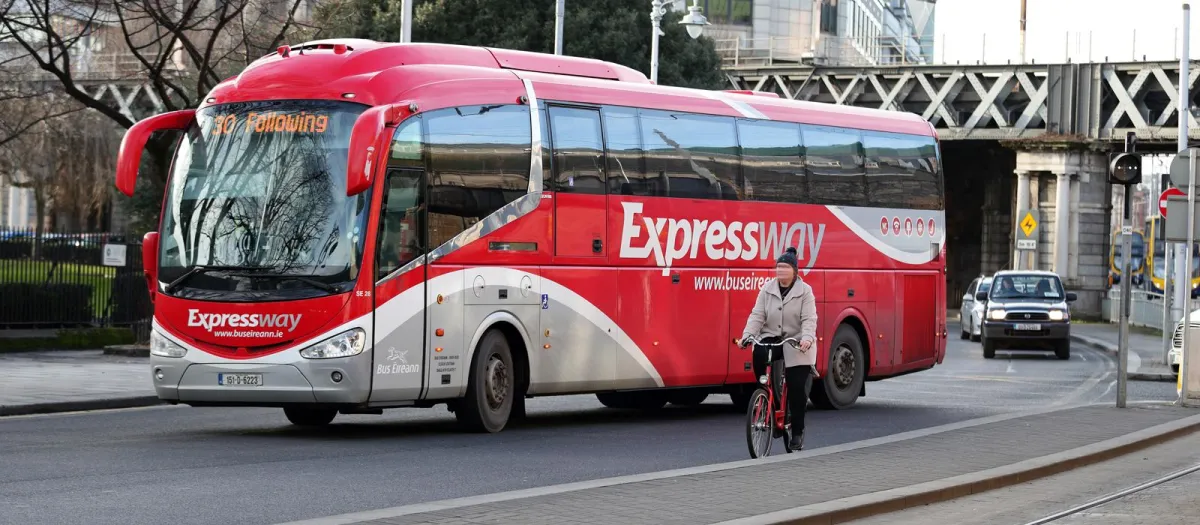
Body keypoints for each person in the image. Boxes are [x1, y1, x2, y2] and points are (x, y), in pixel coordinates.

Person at [739, 246, 818, 451]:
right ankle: (768, 402)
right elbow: (757, 315)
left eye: (785, 267)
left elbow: (809, 319)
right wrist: (747, 336)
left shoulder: (805, 291)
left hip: (797, 341)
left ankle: (797, 431)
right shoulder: (767, 289)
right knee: (759, 355)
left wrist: (807, 338)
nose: (780, 271)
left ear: (794, 271)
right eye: (778, 267)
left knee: (796, 386)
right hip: (772, 337)